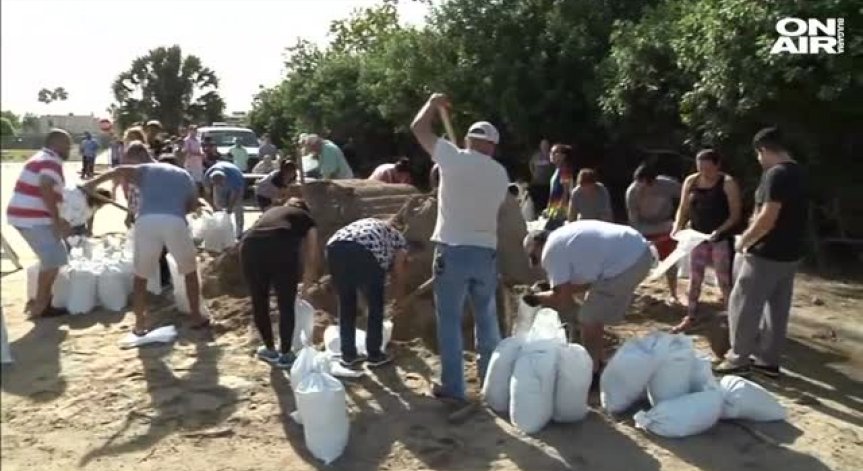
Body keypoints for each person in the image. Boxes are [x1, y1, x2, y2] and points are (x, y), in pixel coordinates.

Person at [411, 93, 509, 403]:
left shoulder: (451, 158)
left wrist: (432, 104)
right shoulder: (500, 173)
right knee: (487, 320)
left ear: (468, 141)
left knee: (450, 322)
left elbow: (418, 128)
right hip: (485, 252)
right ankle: (491, 383)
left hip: (453, 250)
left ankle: (454, 387)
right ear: (492, 147)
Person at [82, 141, 208, 334]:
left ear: (140, 156)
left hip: (146, 221)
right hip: (175, 221)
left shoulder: (144, 168)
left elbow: (119, 170)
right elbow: (192, 205)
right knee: (189, 271)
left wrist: (91, 184)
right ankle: (196, 317)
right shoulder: (184, 174)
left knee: (141, 276)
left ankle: (140, 323)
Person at [715, 128, 808, 377]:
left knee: (744, 304)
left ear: (764, 149)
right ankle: (768, 361)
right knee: (776, 309)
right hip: (791, 252)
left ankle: (738, 359)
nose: (758, 159)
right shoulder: (800, 172)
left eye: (758, 154)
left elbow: (768, 217)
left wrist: (744, 241)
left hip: (766, 252)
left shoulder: (776, 174)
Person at [523, 221, 653, 381]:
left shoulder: (550, 251)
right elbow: (585, 284)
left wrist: (537, 298)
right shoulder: (563, 239)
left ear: (538, 245)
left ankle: (591, 374)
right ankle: (598, 363)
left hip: (627, 263)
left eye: (533, 257)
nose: (538, 262)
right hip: (638, 252)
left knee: (588, 318)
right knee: (593, 315)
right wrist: (551, 290)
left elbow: (563, 299)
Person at [241, 198, 319, 368]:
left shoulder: (271, 212)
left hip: (250, 245)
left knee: (259, 300)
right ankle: (286, 354)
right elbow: (311, 257)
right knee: (286, 303)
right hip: (280, 245)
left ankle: (269, 349)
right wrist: (306, 288)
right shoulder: (307, 219)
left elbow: (254, 230)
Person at [670, 149, 742, 333]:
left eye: (708, 169)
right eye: (700, 168)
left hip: (720, 238)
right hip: (697, 237)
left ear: (717, 166)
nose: (704, 172)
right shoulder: (691, 181)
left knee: (724, 280)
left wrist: (720, 230)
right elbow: (683, 208)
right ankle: (690, 315)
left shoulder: (727, 183)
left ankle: (733, 319)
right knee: (695, 278)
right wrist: (677, 226)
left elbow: (735, 214)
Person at [326, 217, 410, 368]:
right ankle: (374, 354)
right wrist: (399, 298)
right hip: (365, 251)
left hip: (334, 248)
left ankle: (348, 355)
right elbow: (398, 270)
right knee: (375, 305)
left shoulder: (367, 224)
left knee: (346, 303)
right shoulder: (398, 238)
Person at [6, 129, 73, 318]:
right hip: (32, 218)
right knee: (52, 260)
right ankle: (41, 305)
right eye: (67, 144)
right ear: (56, 143)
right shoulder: (50, 161)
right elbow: (45, 187)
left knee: (55, 258)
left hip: (29, 216)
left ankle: (44, 302)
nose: (69, 148)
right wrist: (56, 221)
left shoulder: (43, 158)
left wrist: (58, 218)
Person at [626, 163, 682, 304]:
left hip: (666, 226)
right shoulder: (632, 192)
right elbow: (634, 222)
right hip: (644, 229)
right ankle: (629, 292)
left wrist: (680, 219)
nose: (641, 187)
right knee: (633, 262)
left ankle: (673, 293)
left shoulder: (667, 185)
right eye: (639, 183)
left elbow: (687, 196)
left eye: (645, 184)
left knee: (670, 262)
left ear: (653, 181)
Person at [204, 161, 246, 238]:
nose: (219, 185)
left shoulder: (234, 177)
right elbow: (207, 194)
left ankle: (239, 232)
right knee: (218, 204)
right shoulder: (207, 176)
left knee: (237, 206)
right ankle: (220, 229)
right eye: (216, 184)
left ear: (224, 179)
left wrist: (230, 208)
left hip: (237, 183)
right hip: (224, 179)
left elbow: (235, 194)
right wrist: (213, 207)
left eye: (220, 183)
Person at [544, 143, 576, 230]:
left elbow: (566, 191)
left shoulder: (565, 170)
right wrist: (549, 208)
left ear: (563, 156)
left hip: (560, 210)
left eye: (555, 153)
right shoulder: (557, 170)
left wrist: (560, 209)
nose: (551, 155)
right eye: (551, 152)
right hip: (554, 209)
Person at [529, 139, 553, 212]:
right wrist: (534, 174)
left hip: (548, 183)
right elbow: (531, 165)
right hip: (537, 183)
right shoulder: (536, 156)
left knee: (547, 202)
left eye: (546, 145)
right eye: (543, 145)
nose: (544, 147)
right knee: (538, 202)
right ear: (540, 146)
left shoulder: (551, 156)